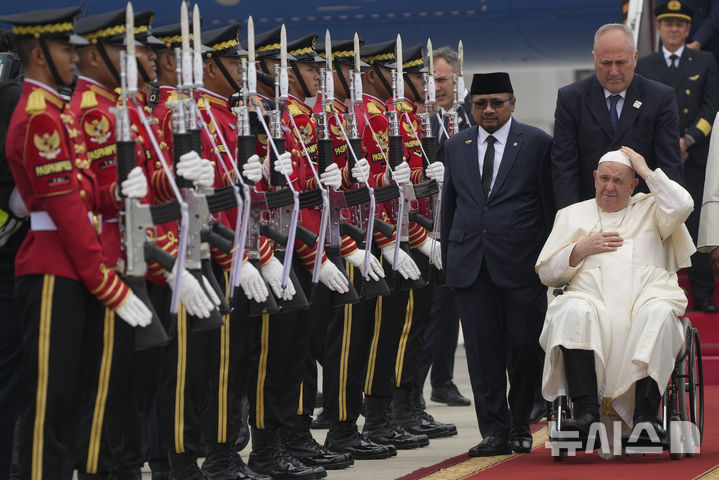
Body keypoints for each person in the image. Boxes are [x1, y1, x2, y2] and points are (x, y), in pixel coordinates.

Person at [0, 6, 154, 479]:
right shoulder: (39, 118)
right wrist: (109, 285)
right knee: (51, 399)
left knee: (79, 394)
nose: (75, 56)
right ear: (40, 55)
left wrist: (117, 191)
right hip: (52, 269)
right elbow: (65, 212)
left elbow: (84, 195)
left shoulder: (58, 112)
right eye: (67, 49)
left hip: (74, 267)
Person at [537, 147, 694, 450]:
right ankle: (585, 412)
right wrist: (580, 249)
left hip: (644, 302)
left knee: (660, 314)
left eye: (619, 181)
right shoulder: (571, 215)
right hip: (590, 303)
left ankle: (646, 416)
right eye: (604, 178)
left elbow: (683, 204)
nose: (609, 187)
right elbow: (547, 274)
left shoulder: (652, 209)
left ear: (634, 185)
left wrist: (645, 168)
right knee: (569, 310)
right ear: (594, 178)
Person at [440, 72, 554, 456]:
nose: (488, 110)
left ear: (513, 103)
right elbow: (450, 206)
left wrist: (550, 262)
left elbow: (548, 206)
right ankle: (494, 430)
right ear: (471, 106)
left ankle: (521, 421)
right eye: (480, 104)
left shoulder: (537, 143)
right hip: (471, 266)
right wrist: (449, 258)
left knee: (524, 346)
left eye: (496, 103)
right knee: (481, 351)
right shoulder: (457, 145)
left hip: (522, 265)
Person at [637, 1, 719, 312]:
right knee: (655, 225)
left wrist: (688, 139)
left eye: (680, 24)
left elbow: (710, 108)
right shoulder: (645, 65)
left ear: (688, 29)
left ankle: (703, 293)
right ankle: (656, 290)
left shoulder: (704, 60)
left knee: (697, 224)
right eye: (668, 24)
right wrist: (668, 145)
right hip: (659, 160)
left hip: (693, 155)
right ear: (658, 28)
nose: (674, 29)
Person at [552, 23, 685, 210]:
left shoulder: (660, 98)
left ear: (635, 58)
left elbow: (669, 165)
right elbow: (564, 168)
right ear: (594, 59)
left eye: (621, 62)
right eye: (606, 63)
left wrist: (664, 221)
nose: (614, 72)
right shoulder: (571, 99)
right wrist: (571, 219)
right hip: (589, 211)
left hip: (643, 213)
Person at [423, 45, 473, 409]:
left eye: (441, 79)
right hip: (430, 226)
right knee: (434, 308)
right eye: (431, 79)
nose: (435, 86)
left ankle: (442, 379)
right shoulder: (424, 115)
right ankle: (416, 388)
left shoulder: (474, 113)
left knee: (451, 307)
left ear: (458, 79)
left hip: (465, 224)